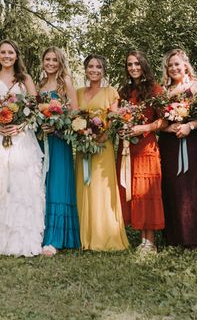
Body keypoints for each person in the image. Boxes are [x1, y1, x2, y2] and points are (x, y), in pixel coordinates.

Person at [0, 40, 45, 256]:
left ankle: (20, 240)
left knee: (20, 187)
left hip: (21, 139)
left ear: (16, 55)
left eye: (10, 52)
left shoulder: (25, 79)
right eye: (3, 52)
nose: (6, 56)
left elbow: (34, 107)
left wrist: (20, 124)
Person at [75, 54, 129, 251]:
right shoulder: (79, 92)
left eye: (98, 66)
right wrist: (82, 135)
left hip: (102, 145)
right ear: (85, 69)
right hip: (83, 147)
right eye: (90, 66)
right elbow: (74, 117)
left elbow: (113, 119)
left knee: (101, 187)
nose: (94, 70)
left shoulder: (110, 91)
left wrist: (101, 136)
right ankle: (84, 235)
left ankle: (104, 235)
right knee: (84, 185)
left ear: (103, 70)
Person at [158, 49, 197, 248]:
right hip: (169, 143)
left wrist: (190, 126)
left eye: (177, 64)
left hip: (191, 141)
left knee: (189, 186)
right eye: (170, 65)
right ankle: (172, 237)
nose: (174, 68)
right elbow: (158, 119)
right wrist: (168, 127)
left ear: (185, 65)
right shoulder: (164, 91)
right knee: (171, 186)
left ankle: (192, 237)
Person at [117, 51, 167, 253]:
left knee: (147, 191)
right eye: (130, 64)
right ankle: (140, 237)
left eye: (137, 64)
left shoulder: (155, 90)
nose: (133, 68)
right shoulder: (123, 91)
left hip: (146, 146)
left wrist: (143, 128)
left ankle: (150, 241)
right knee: (134, 189)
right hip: (127, 147)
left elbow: (164, 121)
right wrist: (121, 128)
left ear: (144, 65)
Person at [37, 47, 80, 256]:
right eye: (48, 59)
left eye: (55, 60)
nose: (51, 63)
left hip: (60, 140)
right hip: (41, 142)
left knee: (57, 184)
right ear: (43, 61)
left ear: (60, 62)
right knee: (42, 185)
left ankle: (55, 238)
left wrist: (56, 126)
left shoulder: (66, 84)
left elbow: (75, 115)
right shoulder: (40, 85)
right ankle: (40, 233)